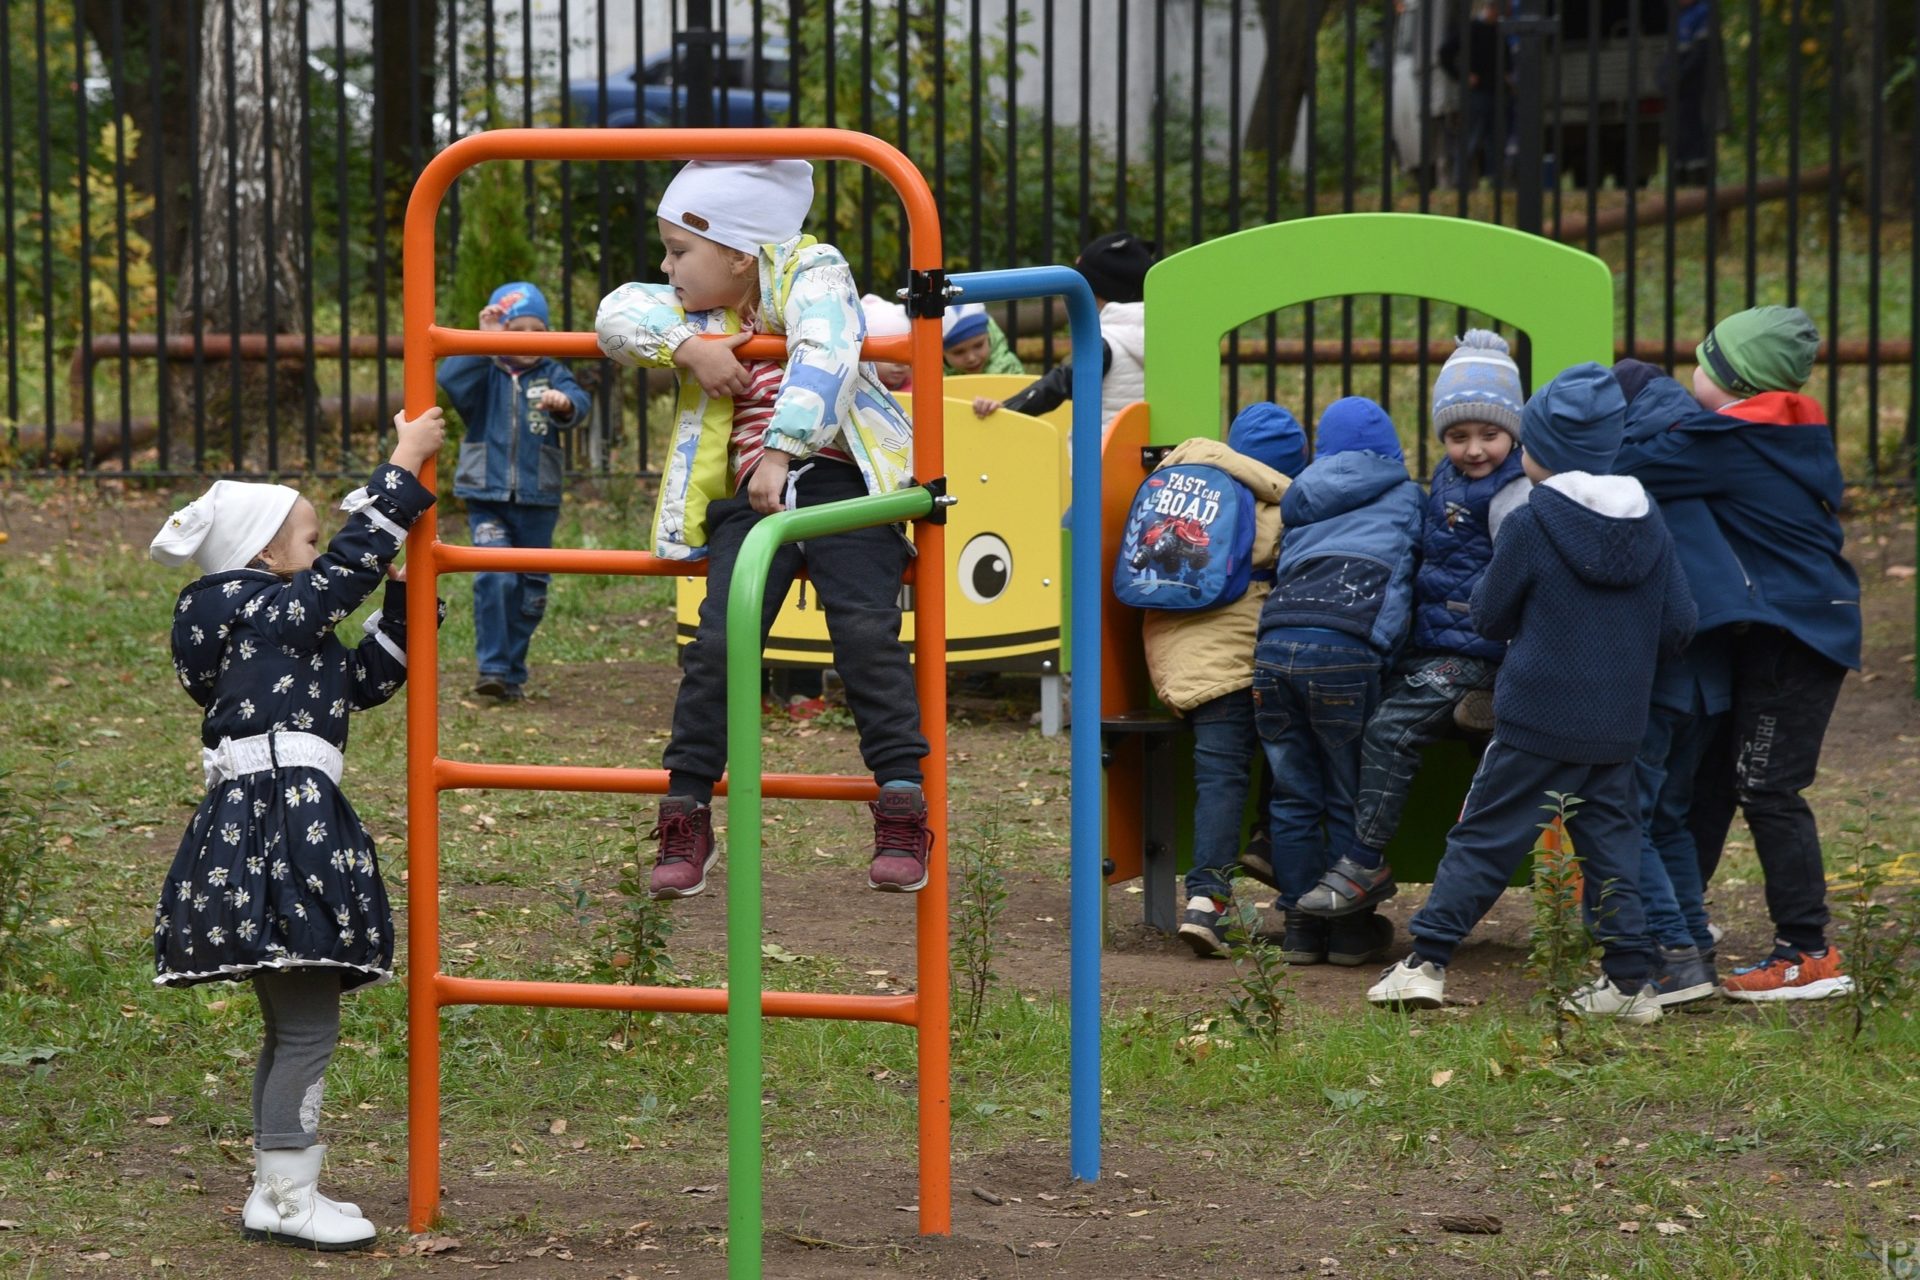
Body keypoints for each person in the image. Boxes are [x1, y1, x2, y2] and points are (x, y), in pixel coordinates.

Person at [147, 407, 447, 1251]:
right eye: (309, 541)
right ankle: (283, 1195)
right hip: (282, 832)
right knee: (308, 1027)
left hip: (271, 830)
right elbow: (342, 574)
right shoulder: (263, 612)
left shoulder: (271, 636)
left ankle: (280, 1191)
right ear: (263, 558)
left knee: (293, 1025)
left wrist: (406, 597)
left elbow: (364, 679)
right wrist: (402, 465)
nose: (320, 555)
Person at [594, 159, 933, 899]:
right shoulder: (700, 311)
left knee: (865, 633)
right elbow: (615, 312)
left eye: (679, 251)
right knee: (719, 644)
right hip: (752, 496)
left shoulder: (812, 270)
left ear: (740, 254)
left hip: (838, 477)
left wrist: (782, 448)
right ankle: (686, 808)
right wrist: (686, 348)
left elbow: (827, 347)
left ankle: (902, 799)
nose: (666, 266)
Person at [1369, 364, 1695, 1022]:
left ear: (1539, 449)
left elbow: (1489, 614)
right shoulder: (1648, 519)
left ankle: (1425, 962)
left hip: (1537, 715)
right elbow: (1681, 624)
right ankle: (1632, 980)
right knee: (1611, 845)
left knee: (1486, 836)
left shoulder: (1532, 520)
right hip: (1616, 720)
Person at [1615, 305, 1861, 1002]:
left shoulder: (1725, 440)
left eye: (1705, 362)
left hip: (1796, 636)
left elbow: (1632, 464)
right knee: (1723, 780)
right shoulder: (1787, 429)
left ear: (1734, 382)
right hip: (1795, 626)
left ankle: (1807, 950)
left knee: (1767, 787)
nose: (1690, 371)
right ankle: (1683, 926)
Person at [1294, 331, 1530, 921]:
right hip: (1433, 643)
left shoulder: (1512, 496)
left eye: (1489, 434)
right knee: (1355, 697)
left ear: (1515, 431)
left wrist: (1507, 657)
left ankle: (1364, 859)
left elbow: (1524, 585)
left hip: (1481, 649)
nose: (1474, 449)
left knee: (1390, 727)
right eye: (1458, 436)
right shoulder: (1448, 479)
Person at [1250, 396, 1423, 968]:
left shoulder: (1300, 499)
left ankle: (1301, 927)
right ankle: (1347, 930)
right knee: (1346, 789)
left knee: (1293, 792)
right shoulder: (1406, 497)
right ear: (1391, 450)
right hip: (1347, 649)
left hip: (1274, 646)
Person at [1135, 402, 1307, 957]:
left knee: (1219, 773)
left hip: (1170, 650)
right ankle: (1270, 842)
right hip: (1235, 654)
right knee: (1293, 741)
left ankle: (1204, 904)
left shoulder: (1174, 478)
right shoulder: (1278, 508)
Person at [1611, 359, 1740, 1008]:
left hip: (1660, 675)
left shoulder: (1632, 472)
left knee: (1626, 816)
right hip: (1712, 680)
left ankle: (1673, 956)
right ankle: (1696, 948)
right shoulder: (1711, 448)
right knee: (1670, 821)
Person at [438, 282, 591, 702]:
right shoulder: (485, 373)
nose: (525, 339)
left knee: (530, 592)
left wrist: (564, 403)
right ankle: (491, 668)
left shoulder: (552, 372)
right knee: (494, 575)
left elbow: (579, 401)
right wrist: (483, 340)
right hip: (487, 499)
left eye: (536, 330)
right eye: (515, 329)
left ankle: (512, 672)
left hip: (537, 499)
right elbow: (449, 377)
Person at [971, 231, 1154, 425]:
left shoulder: (1104, 343)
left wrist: (1007, 408)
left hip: (1101, 451)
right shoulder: (1164, 335)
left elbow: (1057, 385)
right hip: (1156, 452)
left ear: (1094, 295)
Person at [941, 302, 1026, 377]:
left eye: (978, 345)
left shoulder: (1009, 370)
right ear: (942, 352)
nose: (971, 358)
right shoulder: (932, 378)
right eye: (958, 352)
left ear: (989, 337)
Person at [861, 292, 914, 392]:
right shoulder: (857, 393)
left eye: (906, 350)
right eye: (889, 354)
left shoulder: (919, 389)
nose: (900, 362)